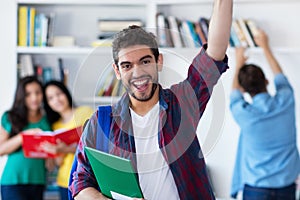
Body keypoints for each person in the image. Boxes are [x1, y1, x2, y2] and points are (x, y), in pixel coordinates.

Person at [70, 0, 232, 199]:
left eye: (145, 61)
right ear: (117, 71)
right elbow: (79, 183)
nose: (138, 73)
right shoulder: (102, 121)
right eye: (127, 65)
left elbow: (214, 53)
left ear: (159, 61)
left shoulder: (182, 102)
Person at [230, 30, 300, 199]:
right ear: (267, 81)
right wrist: (266, 47)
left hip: (256, 188)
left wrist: (239, 61)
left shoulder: (244, 113)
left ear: (244, 90)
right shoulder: (286, 101)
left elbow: (234, 93)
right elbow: (280, 77)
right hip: (286, 187)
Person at [0, 76, 53, 200]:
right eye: (28, 94)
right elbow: (1, 149)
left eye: (38, 93)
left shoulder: (46, 120)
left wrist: (49, 157)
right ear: (21, 96)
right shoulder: (10, 117)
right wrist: (24, 136)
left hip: (38, 181)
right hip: (13, 181)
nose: (34, 98)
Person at [41, 80, 93, 200]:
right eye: (50, 98)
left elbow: (95, 145)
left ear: (66, 93)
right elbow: (59, 163)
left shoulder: (85, 112)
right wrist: (56, 152)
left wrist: (66, 149)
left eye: (59, 94)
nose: (56, 100)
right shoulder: (54, 127)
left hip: (87, 179)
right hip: (65, 181)